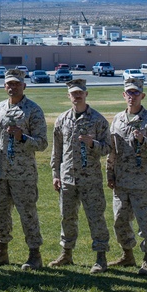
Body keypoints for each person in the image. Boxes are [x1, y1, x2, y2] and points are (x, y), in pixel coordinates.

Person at [0, 68, 48, 271]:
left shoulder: (33, 110)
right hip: (1, 172)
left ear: (24, 86)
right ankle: (1, 252)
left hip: (23, 174)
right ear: (4, 86)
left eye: (16, 84)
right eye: (9, 84)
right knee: (0, 213)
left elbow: (42, 143)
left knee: (27, 214)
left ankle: (34, 254)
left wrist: (22, 138)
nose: (12, 87)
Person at [105, 77, 147, 275]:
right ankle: (127, 254)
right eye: (129, 93)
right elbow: (112, 150)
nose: (132, 97)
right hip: (122, 182)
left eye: (136, 93)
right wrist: (110, 173)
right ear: (124, 95)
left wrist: (145, 141)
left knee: (146, 223)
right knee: (120, 221)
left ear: (142, 95)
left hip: (143, 183)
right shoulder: (117, 119)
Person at [49, 78, 111, 273]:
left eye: (80, 93)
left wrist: (93, 144)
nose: (77, 96)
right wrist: (55, 174)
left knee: (95, 217)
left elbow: (108, 148)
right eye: (73, 93)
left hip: (90, 179)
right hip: (67, 178)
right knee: (67, 217)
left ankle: (101, 257)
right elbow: (57, 150)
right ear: (68, 96)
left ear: (86, 94)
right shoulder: (62, 120)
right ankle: (66, 253)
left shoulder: (98, 120)